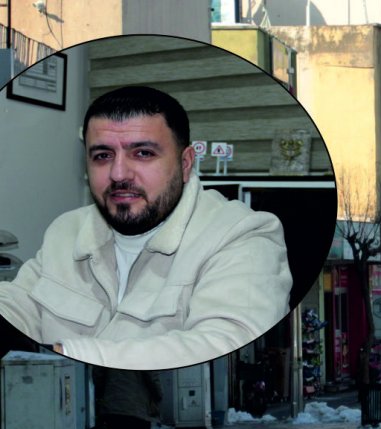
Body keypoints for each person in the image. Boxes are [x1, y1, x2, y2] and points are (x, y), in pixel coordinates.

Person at [0, 86, 292, 370]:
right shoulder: (66, 230)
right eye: (102, 155)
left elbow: (226, 341)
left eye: (142, 153)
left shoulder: (244, 234)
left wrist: (66, 354)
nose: (118, 174)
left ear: (186, 163)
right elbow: (19, 304)